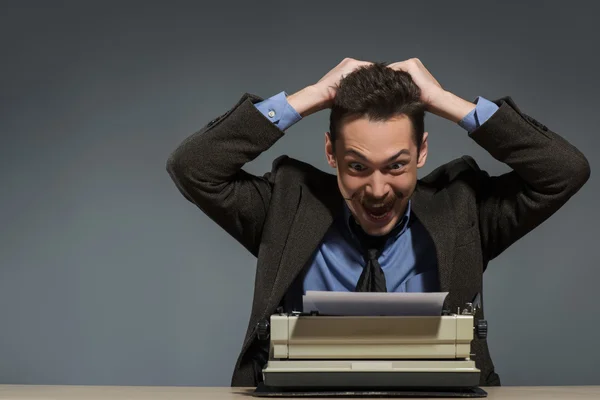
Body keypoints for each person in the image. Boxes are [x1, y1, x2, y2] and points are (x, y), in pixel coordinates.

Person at [165, 58, 590, 387]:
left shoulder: (463, 209)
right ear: (330, 153)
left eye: (396, 166)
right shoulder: (286, 206)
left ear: (421, 152)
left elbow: (564, 171)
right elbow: (192, 167)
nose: (377, 189)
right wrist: (311, 96)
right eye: (357, 166)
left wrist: (447, 103)